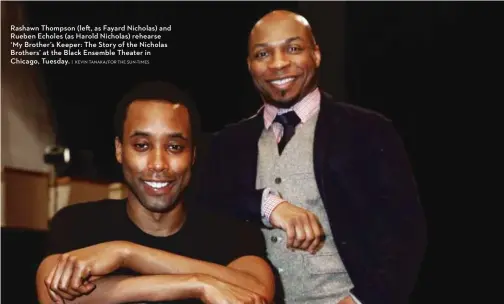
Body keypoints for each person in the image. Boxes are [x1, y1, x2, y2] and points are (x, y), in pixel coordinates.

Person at [198, 10, 427, 304]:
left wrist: (361, 301)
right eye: (263, 53)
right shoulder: (227, 144)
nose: (278, 64)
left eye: (293, 48)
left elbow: (406, 234)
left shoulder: (368, 130)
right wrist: (268, 204)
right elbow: (204, 209)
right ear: (249, 65)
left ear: (316, 54)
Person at [35, 81, 275, 304]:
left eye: (174, 147)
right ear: (120, 150)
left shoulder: (231, 233)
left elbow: (258, 292)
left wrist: (126, 253)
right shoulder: (78, 224)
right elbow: (52, 293)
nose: (158, 164)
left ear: (192, 154)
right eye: (142, 146)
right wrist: (197, 284)